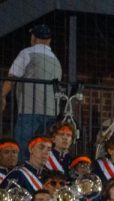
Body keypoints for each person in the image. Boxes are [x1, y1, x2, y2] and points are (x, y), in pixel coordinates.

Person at [1, 25, 61, 161]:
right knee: (43, 149)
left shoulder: (27, 53)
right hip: (52, 112)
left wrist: (2, 95)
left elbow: (12, 78)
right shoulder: (56, 60)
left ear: (33, 38)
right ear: (49, 40)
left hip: (30, 109)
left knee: (23, 147)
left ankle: (22, 175)